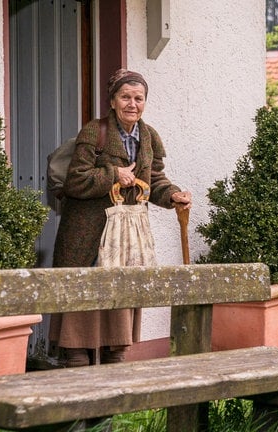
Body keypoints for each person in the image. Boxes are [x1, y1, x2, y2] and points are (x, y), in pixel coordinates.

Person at [49, 69, 192, 367]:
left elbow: (154, 179)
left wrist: (172, 195)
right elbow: (76, 180)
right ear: (112, 101)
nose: (132, 104)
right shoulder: (94, 131)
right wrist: (114, 174)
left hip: (126, 238)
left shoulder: (149, 136)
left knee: (120, 302)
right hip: (88, 234)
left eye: (138, 98)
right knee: (83, 301)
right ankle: (78, 370)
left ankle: (115, 367)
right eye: (125, 97)